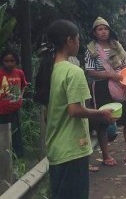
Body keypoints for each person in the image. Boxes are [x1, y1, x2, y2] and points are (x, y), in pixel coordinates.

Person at [34, 20, 114, 199]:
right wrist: (101, 113)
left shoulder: (49, 69)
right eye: (77, 39)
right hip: (72, 148)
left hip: (56, 148)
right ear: (69, 41)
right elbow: (75, 110)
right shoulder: (73, 72)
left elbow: (49, 111)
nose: (79, 43)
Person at [85, 17, 126, 167]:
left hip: (120, 85)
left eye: (105, 29)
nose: (103, 32)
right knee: (103, 122)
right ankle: (106, 155)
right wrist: (111, 75)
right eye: (100, 29)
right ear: (94, 32)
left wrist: (125, 82)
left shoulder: (116, 46)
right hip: (101, 88)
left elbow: (125, 66)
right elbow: (90, 71)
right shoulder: (91, 49)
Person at [0, 49, 27, 158]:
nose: (10, 63)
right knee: (4, 135)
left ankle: (18, 158)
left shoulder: (19, 73)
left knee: (16, 134)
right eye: (7, 61)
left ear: (16, 61)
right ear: (2, 61)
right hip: (2, 112)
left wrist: (20, 96)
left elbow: (24, 85)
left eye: (12, 61)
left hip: (15, 111)